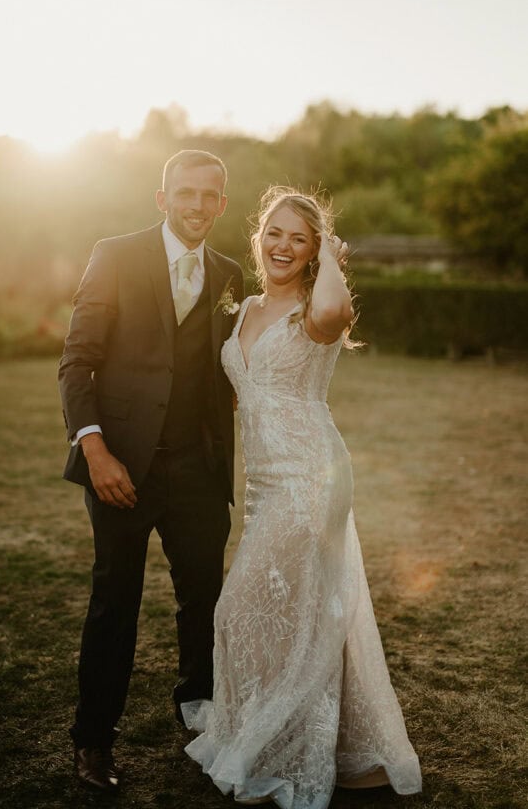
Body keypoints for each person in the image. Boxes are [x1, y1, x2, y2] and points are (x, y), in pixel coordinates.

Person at [182, 187, 422, 808]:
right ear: (259, 237)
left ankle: (283, 746)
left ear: (314, 250)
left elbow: (337, 314)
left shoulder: (318, 307)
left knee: (241, 611)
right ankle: (299, 740)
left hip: (311, 476)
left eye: (300, 238)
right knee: (299, 612)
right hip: (264, 482)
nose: (283, 246)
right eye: (275, 233)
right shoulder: (244, 309)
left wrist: (336, 261)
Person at [58, 149, 245, 793]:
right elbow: (76, 363)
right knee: (115, 603)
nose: (197, 205)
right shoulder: (114, 255)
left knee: (206, 603)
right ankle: (93, 742)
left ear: (223, 204)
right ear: (161, 197)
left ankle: (200, 719)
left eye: (210, 195)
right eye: (185, 192)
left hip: (197, 469)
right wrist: (97, 451)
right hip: (122, 467)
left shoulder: (229, 273)